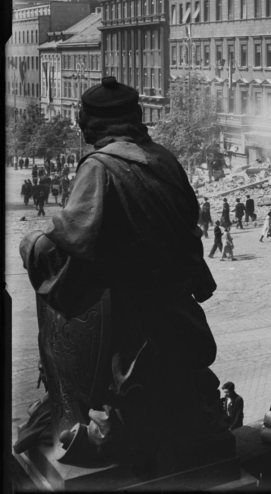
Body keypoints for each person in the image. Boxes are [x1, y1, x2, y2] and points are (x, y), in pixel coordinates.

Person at [15, 76, 220, 469]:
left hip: (131, 317)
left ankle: (113, 437)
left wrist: (31, 245)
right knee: (169, 389)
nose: (81, 127)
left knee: (131, 398)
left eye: (83, 120)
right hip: (175, 310)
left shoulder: (100, 167)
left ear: (93, 122)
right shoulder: (163, 158)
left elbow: (71, 240)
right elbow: (187, 221)